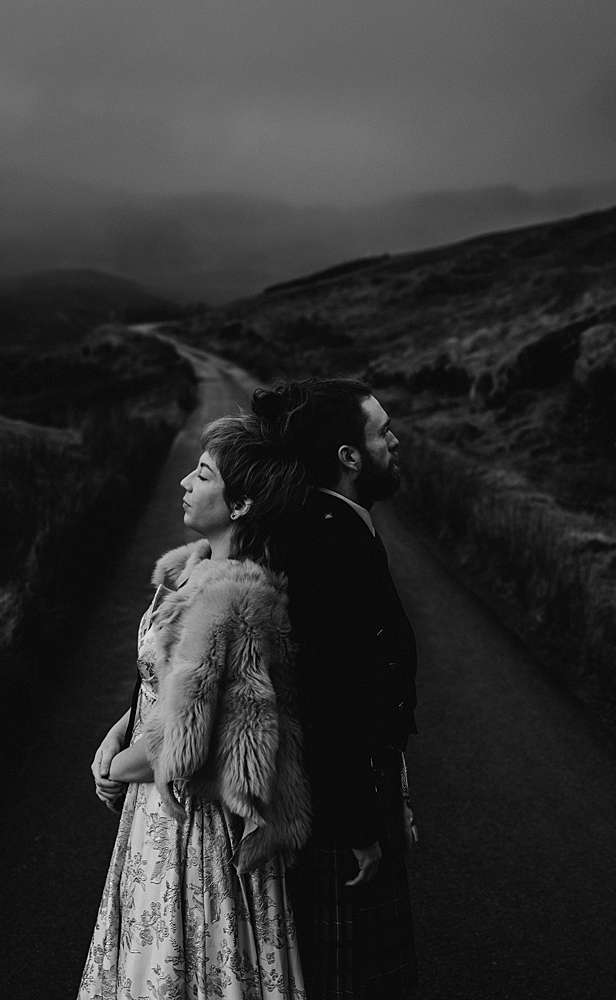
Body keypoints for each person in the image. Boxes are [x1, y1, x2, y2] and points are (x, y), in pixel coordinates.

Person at [78, 413, 315, 1000]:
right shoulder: (190, 573)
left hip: (192, 823)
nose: (185, 481)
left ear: (240, 506)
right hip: (153, 811)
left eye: (202, 474)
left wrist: (117, 769)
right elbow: (157, 689)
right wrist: (115, 740)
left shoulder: (235, 598)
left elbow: (192, 741)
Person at [253, 377, 419, 999]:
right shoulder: (327, 541)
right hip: (334, 814)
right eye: (382, 432)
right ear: (349, 458)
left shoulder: (339, 525)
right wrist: (357, 825)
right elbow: (329, 697)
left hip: (352, 794)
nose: (395, 441)